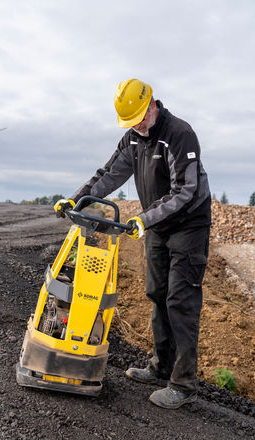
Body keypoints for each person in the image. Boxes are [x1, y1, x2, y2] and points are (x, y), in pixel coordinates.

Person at [54, 79, 211, 409]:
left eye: (140, 118)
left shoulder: (180, 134)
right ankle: (160, 366)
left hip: (189, 224)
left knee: (180, 300)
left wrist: (144, 217)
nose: (138, 126)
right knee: (157, 294)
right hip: (157, 224)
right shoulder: (133, 138)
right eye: (132, 122)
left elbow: (185, 190)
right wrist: (75, 200)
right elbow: (109, 174)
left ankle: (183, 384)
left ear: (152, 106)